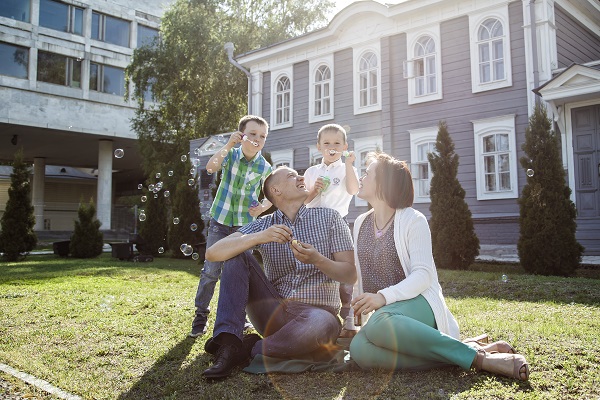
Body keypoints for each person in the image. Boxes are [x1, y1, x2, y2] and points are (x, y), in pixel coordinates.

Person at [348, 152, 529, 381]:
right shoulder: (361, 223)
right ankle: (463, 350)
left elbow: (423, 275)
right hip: (384, 317)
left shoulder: (413, 220)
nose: (361, 178)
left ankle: (482, 360)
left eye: (367, 173)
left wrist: (383, 297)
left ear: (384, 183)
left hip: (419, 304)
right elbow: (360, 277)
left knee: (378, 324)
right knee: (359, 349)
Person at [201, 166, 355, 379]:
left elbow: (350, 274)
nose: (301, 177)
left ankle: (249, 348)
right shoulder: (265, 225)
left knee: (321, 323)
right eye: (292, 176)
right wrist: (257, 237)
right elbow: (212, 252)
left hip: (318, 315)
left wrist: (317, 260)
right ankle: (228, 341)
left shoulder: (330, 218)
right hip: (273, 312)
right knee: (237, 254)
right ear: (276, 191)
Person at [189, 115, 273, 338]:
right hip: (220, 221)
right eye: (253, 134)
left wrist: (263, 208)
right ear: (242, 134)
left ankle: (240, 316)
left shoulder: (264, 167)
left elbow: (272, 195)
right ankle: (201, 315)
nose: (257, 139)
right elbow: (210, 167)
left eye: (262, 136)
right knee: (211, 270)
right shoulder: (231, 155)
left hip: (244, 228)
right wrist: (228, 145)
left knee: (240, 273)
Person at [303, 124, 359, 338]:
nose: (332, 147)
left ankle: (350, 320)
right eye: (327, 143)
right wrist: (313, 190)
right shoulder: (311, 172)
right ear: (319, 147)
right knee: (320, 272)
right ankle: (323, 317)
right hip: (314, 226)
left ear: (344, 146)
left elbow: (354, 190)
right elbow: (304, 203)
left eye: (337, 143)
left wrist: (350, 164)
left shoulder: (346, 169)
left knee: (344, 273)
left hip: (337, 224)